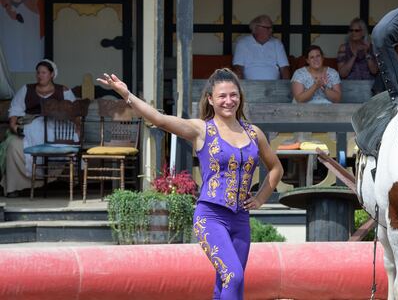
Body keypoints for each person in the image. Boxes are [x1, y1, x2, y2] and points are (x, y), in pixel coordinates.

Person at [98, 69, 283, 300]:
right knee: (233, 276)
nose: (228, 101)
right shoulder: (201, 130)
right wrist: (127, 95)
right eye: (222, 96)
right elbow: (159, 119)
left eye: (233, 95)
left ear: (240, 97)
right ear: (210, 99)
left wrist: (261, 198)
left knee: (229, 283)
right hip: (211, 216)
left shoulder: (254, 133)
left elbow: (276, 168)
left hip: (241, 219)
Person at [2, 59, 76, 197]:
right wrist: (13, 126)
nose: (39, 76)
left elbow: (74, 113)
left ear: (52, 74)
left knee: (57, 141)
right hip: (30, 128)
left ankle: (48, 177)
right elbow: (15, 109)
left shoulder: (63, 90)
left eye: (43, 72)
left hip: (55, 129)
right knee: (13, 145)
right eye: (38, 73)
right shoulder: (26, 89)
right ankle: (14, 186)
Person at [232, 14, 290, 80]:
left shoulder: (277, 43)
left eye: (271, 28)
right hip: (250, 84)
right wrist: (241, 85)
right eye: (268, 28)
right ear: (256, 28)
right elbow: (238, 67)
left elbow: (284, 68)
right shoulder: (243, 43)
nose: (271, 30)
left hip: (274, 85)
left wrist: (286, 85)